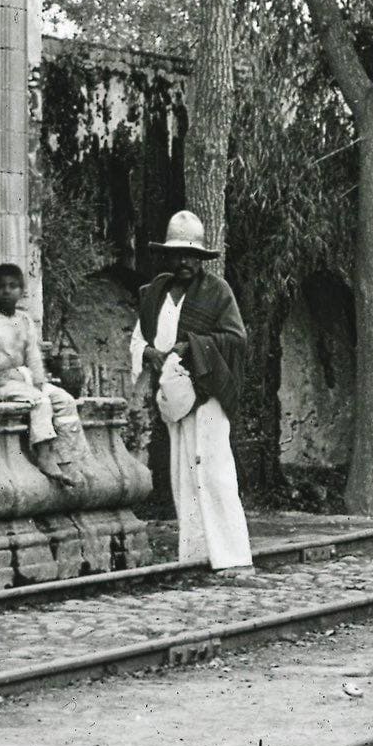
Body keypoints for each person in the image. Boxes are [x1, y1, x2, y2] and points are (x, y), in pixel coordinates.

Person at [128, 210, 254, 578]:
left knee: (213, 469)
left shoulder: (217, 293)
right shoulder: (154, 294)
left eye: (191, 255)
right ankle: (195, 553)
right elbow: (139, 338)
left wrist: (192, 347)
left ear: (201, 258)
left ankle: (231, 556)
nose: (183, 261)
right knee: (183, 472)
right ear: (167, 255)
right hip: (174, 393)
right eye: (177, 254)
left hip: (207, 389)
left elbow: (236, 339)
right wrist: (147, 353)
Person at [0, 262, 88, 486]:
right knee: (40, 401)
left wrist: (39, 379)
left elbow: (32, 353)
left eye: (13, 286)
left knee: (65, 400)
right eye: (2, 287)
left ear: (21, 291)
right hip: (0, 380)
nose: (7, 291)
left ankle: (66, 458)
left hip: (24, 378)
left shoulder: (24, 320)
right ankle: (44, 454)